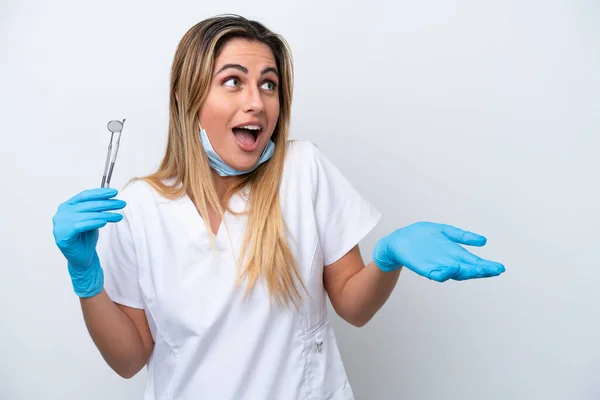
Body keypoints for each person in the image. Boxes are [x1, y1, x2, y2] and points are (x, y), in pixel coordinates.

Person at [52, 14, 505, 400]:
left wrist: (386, 259)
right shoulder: (138, 207)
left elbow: (354, 307)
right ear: (185, 96)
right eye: (233, 81)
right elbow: (130, 360)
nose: (257, 102)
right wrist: (86, 278)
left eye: (268, 84)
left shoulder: (303, 171)